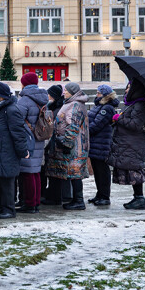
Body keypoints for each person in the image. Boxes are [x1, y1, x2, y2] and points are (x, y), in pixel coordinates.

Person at [0, 82, 30, 219]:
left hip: (6, 153)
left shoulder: (11, 110)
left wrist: (23, 151)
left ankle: (9, 209)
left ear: (1, 96)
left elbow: (19, 134)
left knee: (6, 183)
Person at [109, 80, 145, 210]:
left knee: (135, 170)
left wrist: (119, 118)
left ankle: (140, 199)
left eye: (130, 88)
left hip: (134, 143)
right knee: (133, 169)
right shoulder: (132, 104)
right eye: (127, 87)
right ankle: (137, 198)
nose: (126, 90)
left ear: (136, 90)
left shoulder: (140, 105)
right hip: (128, 142)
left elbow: (135, 125)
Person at [45, 82, 90, 210]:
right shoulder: (71, 103)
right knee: (72, 173)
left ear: (73, 92)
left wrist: (66, 142)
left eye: (66, 90)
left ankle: (79, 201)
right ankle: (76, 200)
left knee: (75, 174)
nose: (63, 92)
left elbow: (73, 127)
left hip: (74, 147)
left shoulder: (75, 105)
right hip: (71, 145)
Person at [16, 72, 49, 214]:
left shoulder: (25, 100)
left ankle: (29, 204)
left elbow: (17, 119)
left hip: (27, 138)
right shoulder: (42, 98)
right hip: (39, 137)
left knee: (28, 173)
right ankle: (35, 202)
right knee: (35, 172)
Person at [87, 84, 119, 206]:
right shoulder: (100, 105)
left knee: (102, 170)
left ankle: (105, 196)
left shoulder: (107, 108)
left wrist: (86, 131)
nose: (97, 94)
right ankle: (99, 194)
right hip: (96, 142)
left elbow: (97, 124)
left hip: (102, 143)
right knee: (97, 169)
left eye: (99, 93)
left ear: (105, 95)